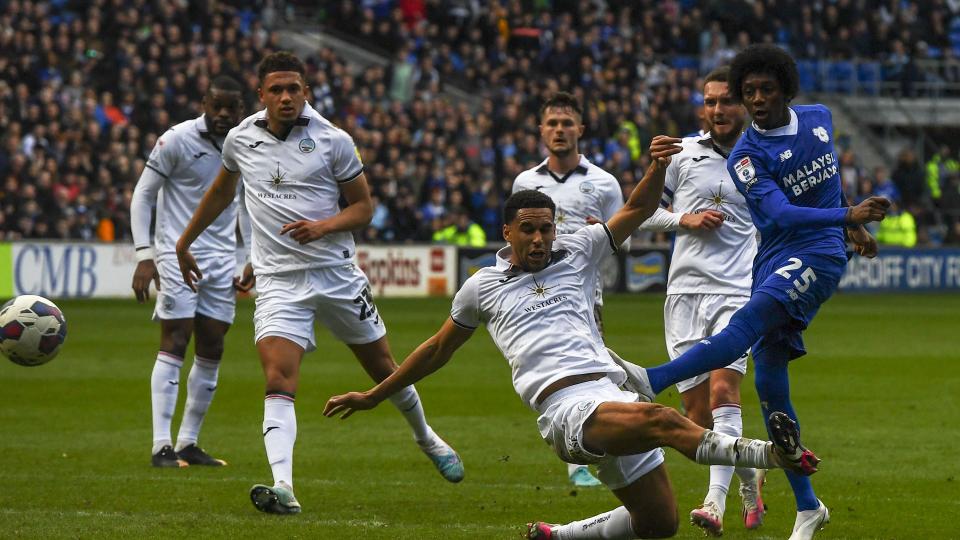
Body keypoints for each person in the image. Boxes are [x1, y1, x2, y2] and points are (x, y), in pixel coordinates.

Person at [324, 142, 819, 540]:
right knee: (661, 418)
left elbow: (638, 208)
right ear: (507, 232)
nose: (539, 240)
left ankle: (557, 534)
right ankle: (772, 456)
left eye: (546, 229)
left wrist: (656, 167)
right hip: (564, 410)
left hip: (611, 394)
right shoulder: (481, 287)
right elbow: (435, 350)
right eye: (528, 231)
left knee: (659, 525)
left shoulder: (579, 250)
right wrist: (373, 394)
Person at [617, 45, 890, 540]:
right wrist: (850, 218)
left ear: (786, 89)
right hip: (774, 256)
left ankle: (648, 379)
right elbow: (782, 214)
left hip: (819, 255)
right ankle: (809, 507)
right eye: (750, 92)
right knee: (769, 387)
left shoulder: (820, 118)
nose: (757, 99)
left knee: (743, 329)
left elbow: (826, 184)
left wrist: (849, 226)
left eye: (764, 91)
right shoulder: (748, 156)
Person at [175, 51, 463, 515]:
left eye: (294, 88)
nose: (286, 97)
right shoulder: (240, 138)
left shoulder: (334, 141)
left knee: (383, 367)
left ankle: (426, 438)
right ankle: (284, 487)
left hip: (336, 275)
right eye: (277, 90)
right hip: (278, 281)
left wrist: (324, 226)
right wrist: (184, 242)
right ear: (261, 94)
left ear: (306, 92)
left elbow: (363, 208)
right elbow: (223, 191)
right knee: (277, 379)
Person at [638, 66, 762, 536]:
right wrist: (683, 221)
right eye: (709, 102)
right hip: (683, 294)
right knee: (695, 418)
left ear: (744, 104)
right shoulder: (681, 153)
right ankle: (749, 470)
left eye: (726, 101)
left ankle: (714, 503)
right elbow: (643, 212)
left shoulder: (763, 154)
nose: (717, 110)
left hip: (738, 293)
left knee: (724, 392)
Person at [130, 75, 251, 468]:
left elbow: (247, 205)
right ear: (204, 103)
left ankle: (188, 443)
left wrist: (252, 255)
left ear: (241, 109)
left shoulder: (248, 143)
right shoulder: (176, 140)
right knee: (177, 338)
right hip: (175, 251)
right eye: (215, 105)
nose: (222, 114)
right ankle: (160, 445)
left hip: (222, 258)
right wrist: (145, 254)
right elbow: (143, 194)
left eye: (230, 107)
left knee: (213, 344)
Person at [511, 91, 626, 488]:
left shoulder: (604, 183)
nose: (560, 130)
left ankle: (594, 450)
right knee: (555, 370)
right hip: (539, 294)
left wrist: (603, 231)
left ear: (581, 129)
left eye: (567, 123)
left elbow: (623, 240)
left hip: (585, 294)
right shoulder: (526, 181)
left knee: (592, 371)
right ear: (541, 130)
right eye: (552, 124)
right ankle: (579, 459)